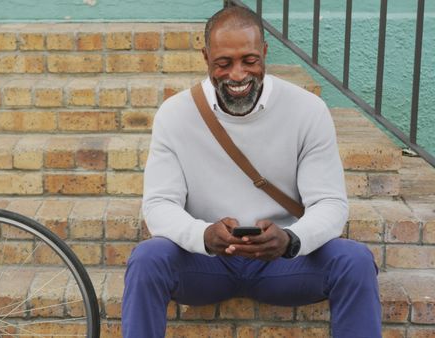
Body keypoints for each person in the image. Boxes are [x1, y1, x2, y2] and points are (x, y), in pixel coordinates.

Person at [122, 6, 381, 338]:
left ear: (265, 53)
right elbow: (159, 205)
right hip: (206, 261)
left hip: (284, 262)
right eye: (224, 63)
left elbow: (330, 203)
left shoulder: (307, 110)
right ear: (206, 57)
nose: (238, 74)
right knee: (147, 259)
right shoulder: (175, 115)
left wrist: (291, 240)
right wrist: (202, 235)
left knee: (355, 260)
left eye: (249, 60)